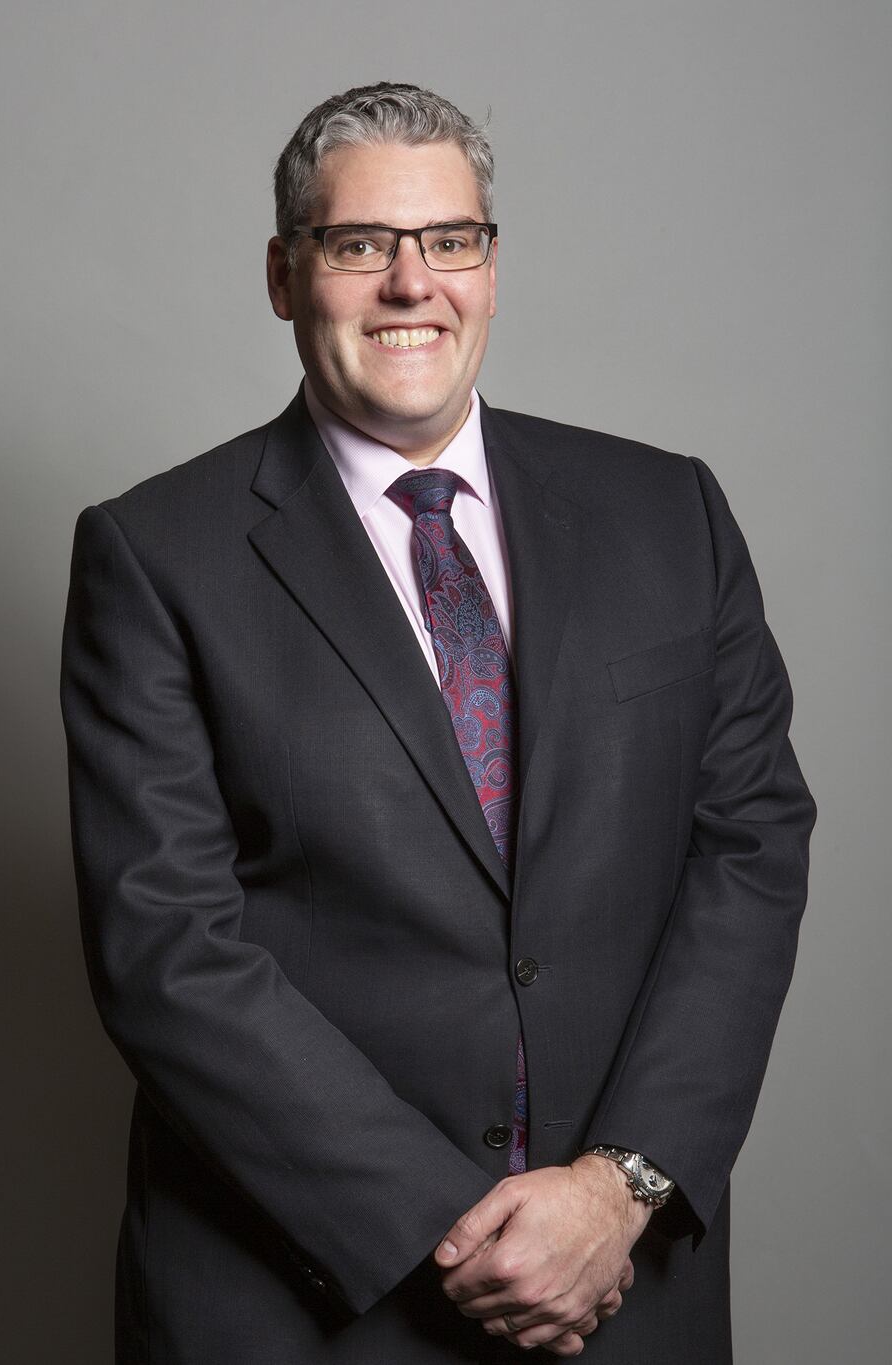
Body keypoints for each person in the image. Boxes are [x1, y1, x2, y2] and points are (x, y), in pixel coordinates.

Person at [60, 82, 815, 1364]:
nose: (412, 283)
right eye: (360, 245)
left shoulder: (667, 515)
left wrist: (617, 1188)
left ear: (491, 267)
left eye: (448, 240)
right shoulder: (154, 557)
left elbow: (747, 846)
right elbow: (166, 947)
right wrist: (455, 1233)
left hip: (621, 1283)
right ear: (284, 276)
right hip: (304, 1295)